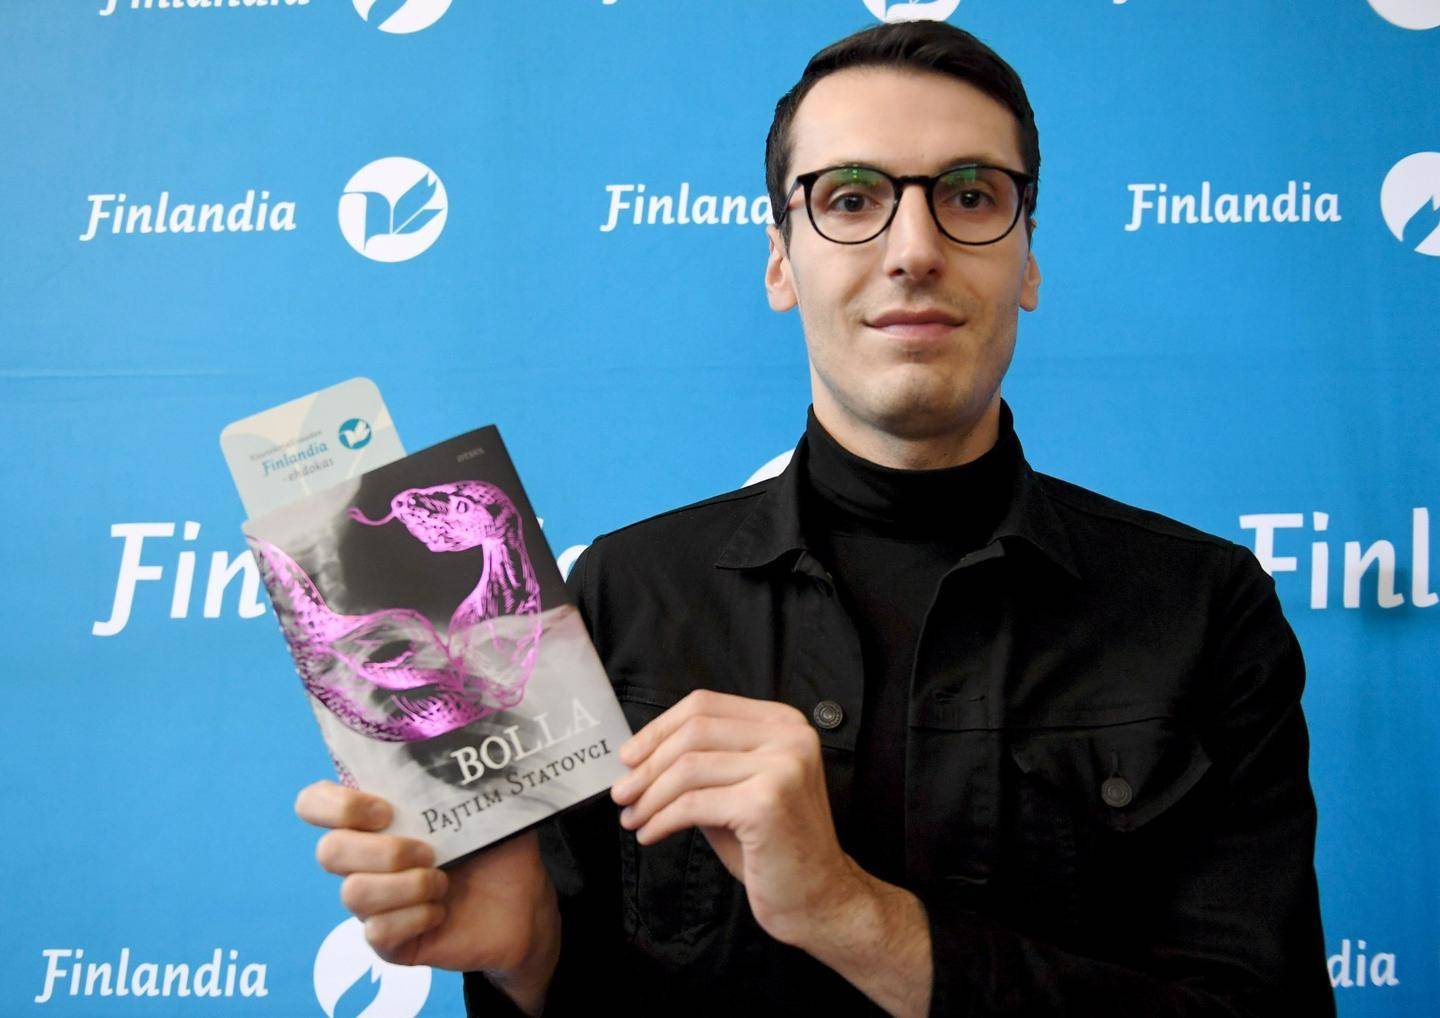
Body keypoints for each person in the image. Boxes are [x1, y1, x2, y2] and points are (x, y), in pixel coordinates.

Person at [294, 21, 1334, 1017]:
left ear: (1028, 259)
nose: (914, 248)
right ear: (781, 262)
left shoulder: (1204, 611)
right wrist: (530, 963)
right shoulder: (619, 594)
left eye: (971, 195)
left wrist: (847, 914)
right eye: (850, 198)